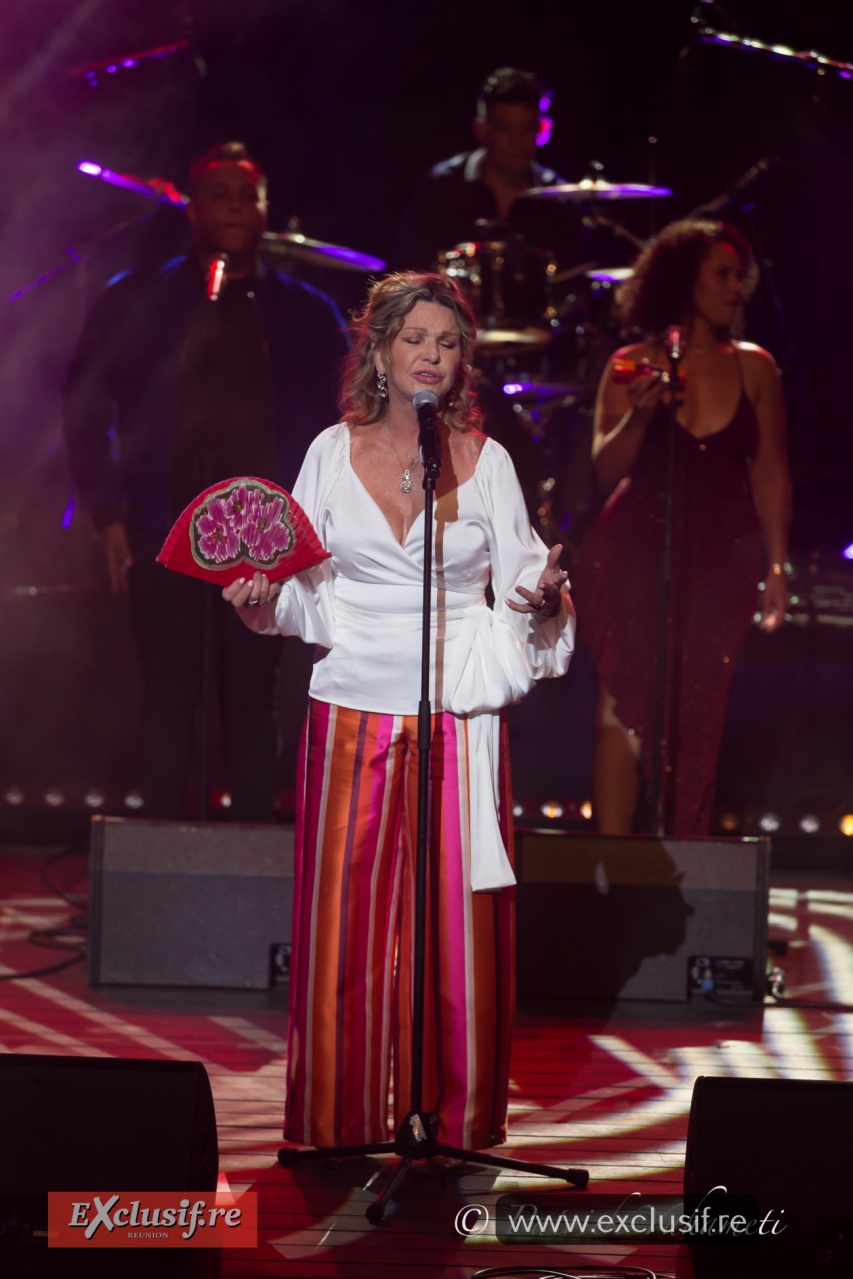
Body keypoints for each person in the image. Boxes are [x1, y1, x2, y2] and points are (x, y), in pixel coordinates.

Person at [224, 272, 574, 1152]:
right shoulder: (328, 453)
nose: (431, 354)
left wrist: (543, 600)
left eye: (447, 343)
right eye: (415, 337)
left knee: (457, 931)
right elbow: (300, 585)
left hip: (458, 715)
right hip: (351, 706)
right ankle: (336, 1123)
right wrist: (259, 599)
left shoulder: (486, 462)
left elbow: (526, 580)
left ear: (462, 364)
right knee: (341, 925)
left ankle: (451, 1123)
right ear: (378, 352)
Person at [63, 142, 349, 822]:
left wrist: (318, 525)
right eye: (219, 194)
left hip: (267, 541)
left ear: (267, 210)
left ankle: (250, 850)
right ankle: (158, 853)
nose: (235, 208)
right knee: (168, 693)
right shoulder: (138, 299)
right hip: (161, 527)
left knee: (252, 697)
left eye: (248, 195)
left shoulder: (305, 313)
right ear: (192, 208)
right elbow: (83, 404)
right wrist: (106, 511)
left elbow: (346, 422)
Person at [573, 218, 791, 838]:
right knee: (622, 702)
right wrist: (639, 420)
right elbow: (606, 470)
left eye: (740, 277)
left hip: (723, 557)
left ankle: (686, 863)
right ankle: (614, 864)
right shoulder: (631, 365)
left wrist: (777, 566)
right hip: (636, 550)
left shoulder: (755, 367)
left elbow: (771, 470)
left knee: (700, 705)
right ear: (683, 278)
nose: (736, 288)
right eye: (722, 274)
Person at [395, 66, 582, 295]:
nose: (516, 142)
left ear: (544, 130)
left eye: (527, 128)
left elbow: (574, 290)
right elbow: (408, 274)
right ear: (481, 129)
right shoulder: (443, 186)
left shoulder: (561, 201)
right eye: (504, 128)